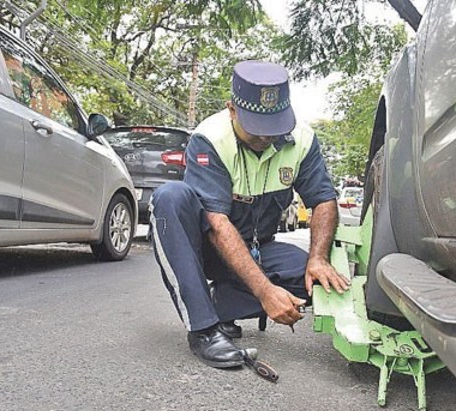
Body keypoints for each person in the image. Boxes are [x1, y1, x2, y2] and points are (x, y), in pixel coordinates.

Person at [150, 60, 350, 369]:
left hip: (259, 248)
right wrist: (265, 291)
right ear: (232, 110)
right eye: (257, 130)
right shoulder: (210, 139)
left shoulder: (303, 140)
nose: (266, 138)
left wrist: (318, 258)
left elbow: (323, 200)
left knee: (321, 281)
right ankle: (204, 328)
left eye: (274, 128)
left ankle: (223, 304)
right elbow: (217, 223)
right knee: (170, 198)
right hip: (210, 248)